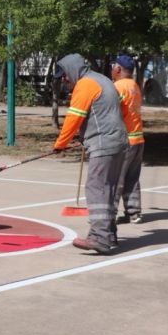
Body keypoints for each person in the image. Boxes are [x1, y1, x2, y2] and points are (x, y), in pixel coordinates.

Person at [53, 53, 129, 254]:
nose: (64, 79)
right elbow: (112, 110)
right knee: (108, 189)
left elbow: (74, 117)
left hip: (104, 144)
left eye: (64, 74)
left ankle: (99, 238)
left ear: (72, 70)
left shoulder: (85, 84)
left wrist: (60, 145)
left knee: (96, 188)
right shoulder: (103, 79)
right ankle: (109, 235)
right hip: (119, 142)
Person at [111, 54, 145, 224]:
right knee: (132, 177)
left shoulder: (117, 87)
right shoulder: (134, 85)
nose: (111, 70)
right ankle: (134, 212)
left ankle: (109, 215)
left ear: (118, 69)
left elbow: (110, 111)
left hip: (124, 140)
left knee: (115, 178)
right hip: (138, 138)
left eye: (112, 66)